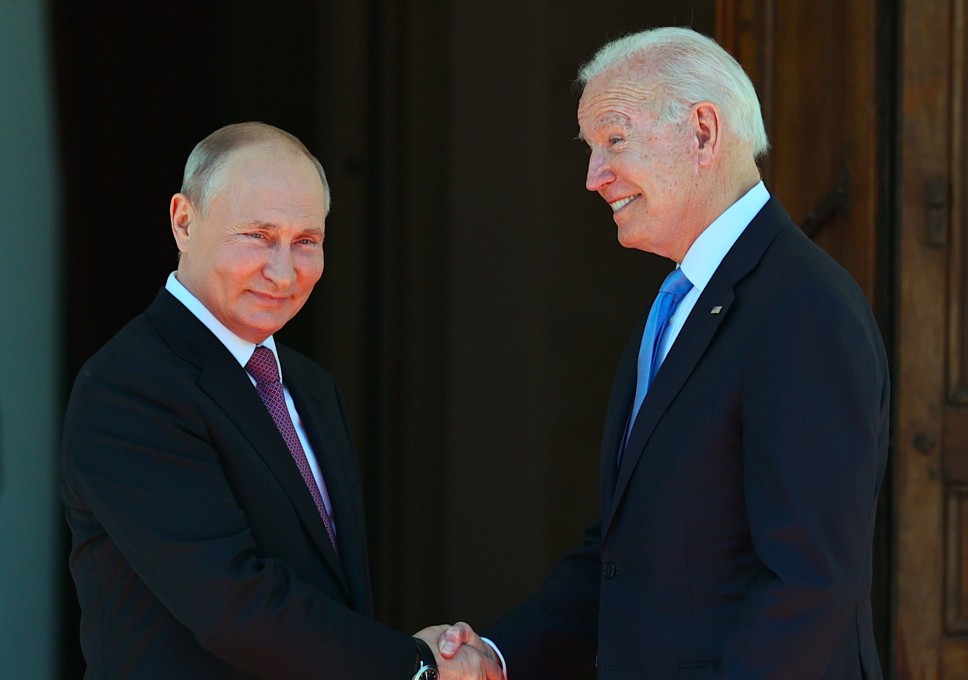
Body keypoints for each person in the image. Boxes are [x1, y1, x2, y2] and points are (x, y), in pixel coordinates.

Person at [436, 26, 889, 678]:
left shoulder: (801, 309)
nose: (594, 178)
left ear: (704, 132)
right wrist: (498, 655)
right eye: (591, 149)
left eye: (614, 140)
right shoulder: (677, 304)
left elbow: (809, 582)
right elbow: (626, 552)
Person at [60, 122, 500, 680]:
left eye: (306, 241)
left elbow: (329, 592)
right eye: (259, 236)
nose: (284, 271)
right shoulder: (130, 388)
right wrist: (415, 666)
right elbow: (232, 606)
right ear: (184, 222)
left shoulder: (310, 386)